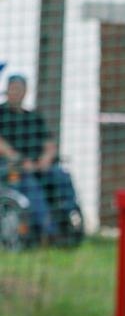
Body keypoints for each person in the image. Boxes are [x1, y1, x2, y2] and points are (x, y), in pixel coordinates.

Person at [0, 73, 77, 244]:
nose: (16, 92)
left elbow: (49, 144)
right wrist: (20, 160)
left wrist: (46, 159)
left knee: (61, 175)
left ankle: (69, 217)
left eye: (20, 89)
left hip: (39, 167)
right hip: (13, 169)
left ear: (25, 91)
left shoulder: (33, 117)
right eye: (13, 89)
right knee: (31, 185)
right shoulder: (2, 114)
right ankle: (49, 231)